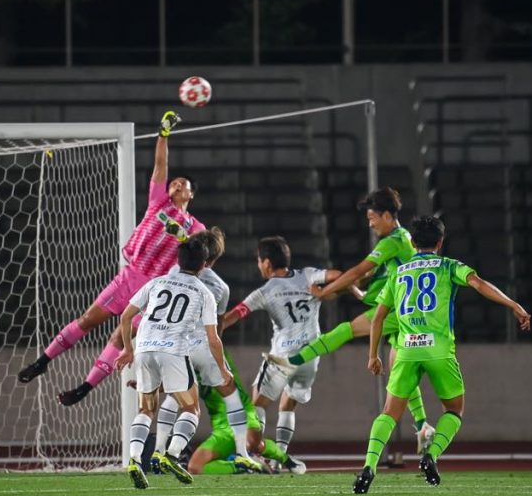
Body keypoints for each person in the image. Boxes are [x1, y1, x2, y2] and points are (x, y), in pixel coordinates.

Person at [17, 111, 206, 407]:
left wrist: (182, 236)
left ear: (192, 195)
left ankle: (84, 388)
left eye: (183, 185)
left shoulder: (196, 227)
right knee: (87, 320)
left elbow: (201, 255)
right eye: (175, 184)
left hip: (153, 291)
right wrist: (163, 135)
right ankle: (42, 361)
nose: (177, 186)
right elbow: (160, 166)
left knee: (120, 337)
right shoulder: (158, 202)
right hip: (129, 276)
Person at [354, 216, 530, 494]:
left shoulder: (398, 273)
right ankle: (431, 455)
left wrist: (373, 355)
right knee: (454, 410)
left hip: (407, 350)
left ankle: (369, 466)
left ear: (413, 242)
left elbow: (377, 318)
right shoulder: (449, 266)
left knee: (388, 413)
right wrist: (513, 304)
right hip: (439, 351)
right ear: (440, 242)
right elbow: (479, 283)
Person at [267, 188, 435, 453]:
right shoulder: (404, 239)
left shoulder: (392, 242)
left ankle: (292, 361)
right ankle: (424, 426)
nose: (370, 224)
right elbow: (367, 280)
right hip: (410, 312)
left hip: (398, 312)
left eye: (372, 218)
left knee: (347, 330)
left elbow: (359, 271)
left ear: (387, 215)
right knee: (399, 370)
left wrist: (325, 291)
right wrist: (347, 290)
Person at [115, 241, 228, 489]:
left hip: (144, 348)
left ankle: (134, 459)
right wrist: (222, 369)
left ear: (178, 261)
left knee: (146, 410)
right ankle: (173, 454)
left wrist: (128, 350)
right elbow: (213, 338)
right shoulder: (204, 292)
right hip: (173, 350)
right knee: (191, 408)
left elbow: (125, 316)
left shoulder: (157, 282)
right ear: (203, 265)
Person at [151, 228, 262, 473]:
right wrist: (219, 364)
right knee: (231, 395)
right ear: (213, 259)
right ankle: (242, 454)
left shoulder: (174, 273)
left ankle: (159, 452)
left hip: (176, 345)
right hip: (203, 346)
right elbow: (217, 328)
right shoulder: (221, 287)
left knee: (174, 397)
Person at [220, 236, 342, 457]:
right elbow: (338, 276)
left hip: (283, 357)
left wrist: (210, 331)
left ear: (266, 263)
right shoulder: (307, 275)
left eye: (259, 261)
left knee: (257, 404)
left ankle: (253, 455)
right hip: (310, 356)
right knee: (288, 404)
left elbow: (235, 315)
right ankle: (280, 458)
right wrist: (324, 292)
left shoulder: (266, 291)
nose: (259, 265)